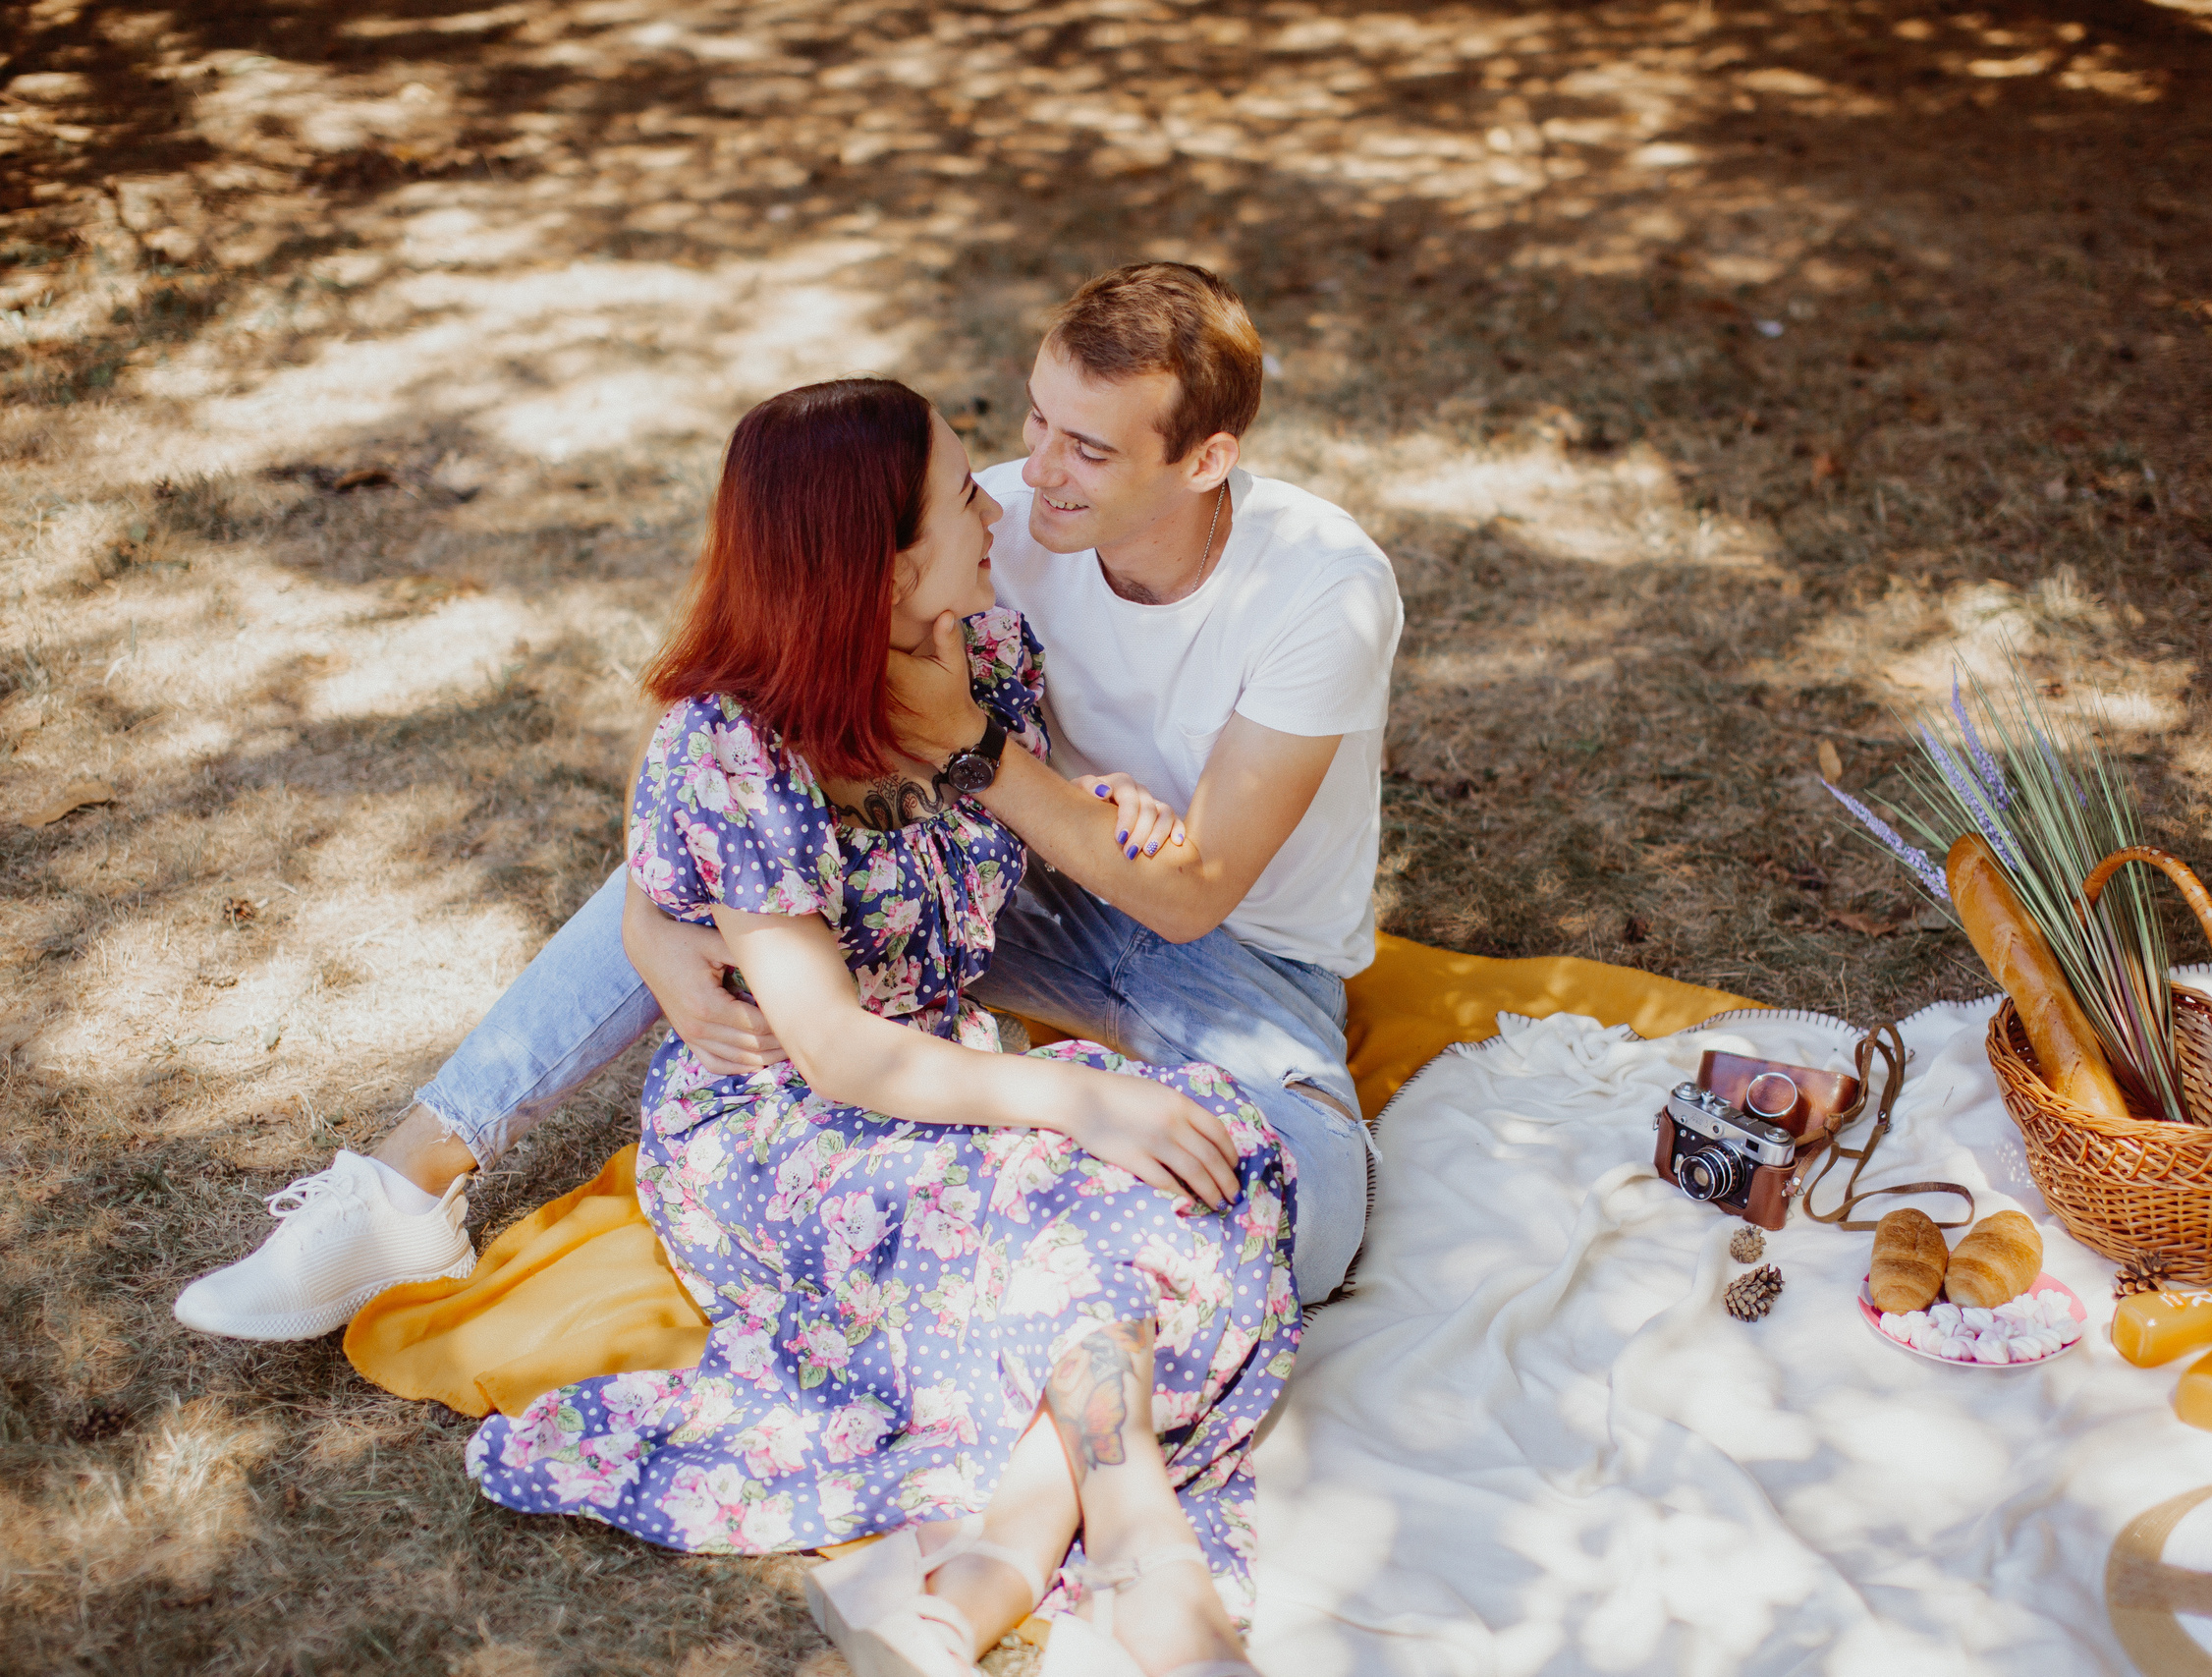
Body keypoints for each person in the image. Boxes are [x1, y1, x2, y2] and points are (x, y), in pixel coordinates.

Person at [173, 260, 1401, 1317]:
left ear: (1207, 459)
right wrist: (657, 922)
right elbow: (715, 690)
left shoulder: (1316, 590)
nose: (1036, 474)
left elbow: (1188, 900)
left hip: (1226, 948)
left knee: (1315, 1217)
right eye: (1031, 424)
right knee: (717, 851)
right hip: (1002, 885)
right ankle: (401, 1184)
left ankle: (1099, 1285)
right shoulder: (1004, 517)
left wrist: (971, 747)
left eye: (1087, 447)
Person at [469, 376, 1291, 1676]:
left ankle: (976, 1584)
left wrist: (1102, 809)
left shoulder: (986, 649)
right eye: (965, 492)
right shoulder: (734, 745)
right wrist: (1079, 1097)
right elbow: (839, 1049)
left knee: (1216, 1152)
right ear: (888, 558)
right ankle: (1141, 1548)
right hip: (783, 1120)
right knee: (1104, 1185)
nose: (998, 502)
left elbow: (1029, 825)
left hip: (944, 1065)